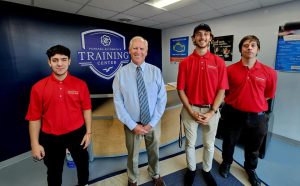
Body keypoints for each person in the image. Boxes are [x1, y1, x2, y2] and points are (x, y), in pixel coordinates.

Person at [25, 45, 92, 186]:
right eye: (55, 60)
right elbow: (34, 118)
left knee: (83, 165)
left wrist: (88, 132)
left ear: (69, 61)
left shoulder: (81, 85)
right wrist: (35, 144)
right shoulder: (38, 88)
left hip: (77, 134)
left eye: (63, 59)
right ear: (49, 62)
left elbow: (86, 109)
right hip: (50, 137)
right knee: (54, 172)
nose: (59, 64)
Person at [218, 35, 277, 186]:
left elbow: (269, 95)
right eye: (245, 45)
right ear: (240, 49)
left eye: (253, 45)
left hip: (257, 117)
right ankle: (226, 163)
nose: (249, 48)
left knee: (253, 148)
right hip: (233, 114)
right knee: (229, 142)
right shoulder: (229, 70)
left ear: (258, 49)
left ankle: (250, 170)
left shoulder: (269, 72)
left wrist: (253, 103)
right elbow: (224, 92)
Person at [177, 23, 228, 186]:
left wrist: (212, 111)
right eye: (198, 34)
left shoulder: (219, 62)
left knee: (209, 144)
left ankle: (206, 170)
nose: (202, 37)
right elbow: (181, 90)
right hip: (190, 109)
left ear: (210, 38)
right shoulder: (184, 62)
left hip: (211, 111)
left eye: (206, 34)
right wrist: (191, 111)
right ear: (193, 39)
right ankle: (191, 169)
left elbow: (222, 90)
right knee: (190, 144)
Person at [113, 36, 167, 186]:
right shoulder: (120, 74)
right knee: (132, 155)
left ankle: (155, 173)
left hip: (153, 123)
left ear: (146, 51)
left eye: (141, 48)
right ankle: (133, 178)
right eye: (135, 48)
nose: (138, 51)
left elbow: (161, 99)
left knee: (154, 151)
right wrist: (132, 125)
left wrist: (152, 123)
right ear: (129, 50)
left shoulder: (155, 71)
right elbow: (118, 103)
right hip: (132, 124)